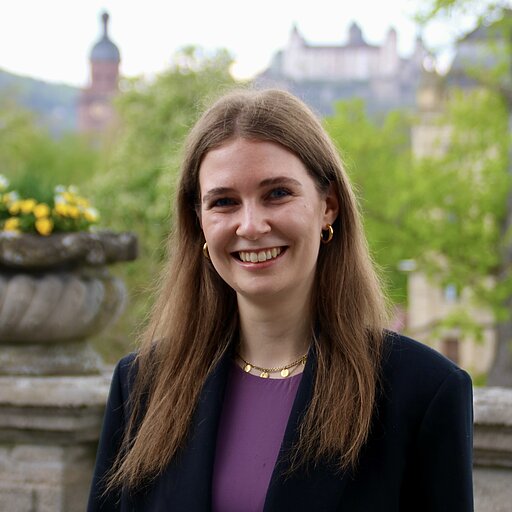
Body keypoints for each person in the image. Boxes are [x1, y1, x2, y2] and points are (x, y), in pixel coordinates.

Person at [87, 89, 474, 512]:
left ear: (328, 207)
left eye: (277, 194)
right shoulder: (142, 386)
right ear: (199, 223)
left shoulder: (424, 392)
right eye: (224, 202)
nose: (251, 226)